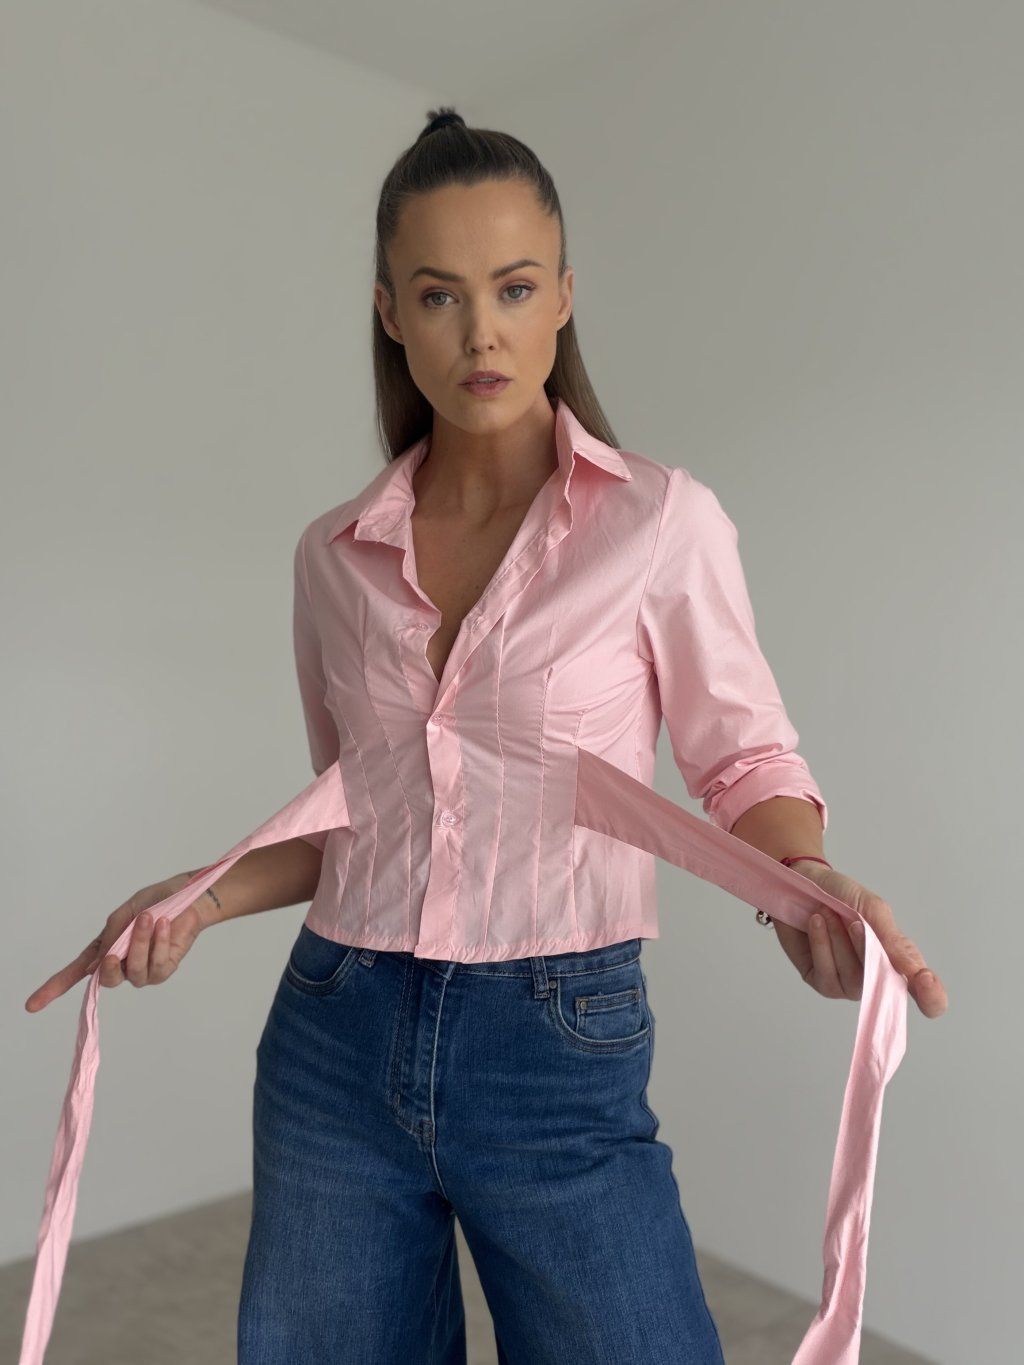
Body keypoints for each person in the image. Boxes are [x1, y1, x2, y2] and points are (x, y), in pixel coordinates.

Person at [26, 105, 946, 1365]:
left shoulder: (660, 523)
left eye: (513, 288)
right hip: (333, 1033)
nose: (481, 332)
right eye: (438, 295)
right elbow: (358, 815)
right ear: (389, 314)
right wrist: (198, 895)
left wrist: (805, 877)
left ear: (563, 296)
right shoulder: (331, 558)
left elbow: (743, 761)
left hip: (558, 1042)